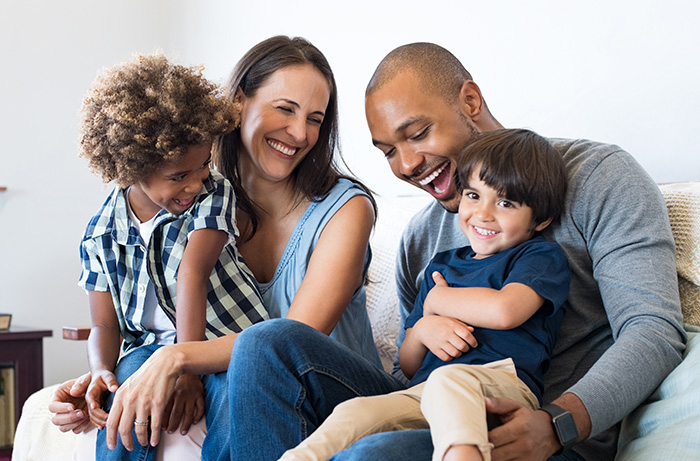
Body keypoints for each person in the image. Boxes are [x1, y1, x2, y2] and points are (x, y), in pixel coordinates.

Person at [225, 42, 686, 461]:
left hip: (536, 429)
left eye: (419, 133)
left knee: (371, 456)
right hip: (432, 404)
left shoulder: (598, 177)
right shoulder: (422, 236)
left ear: (470, 101)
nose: (406, 166)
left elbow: (653, 330)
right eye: (388, 151)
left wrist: (556, 424)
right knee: (266, 343)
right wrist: (424, 328)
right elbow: (412, 366)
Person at [48, 35, 380, 460]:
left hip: (328, 390)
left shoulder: (345, 209)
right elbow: (143, 316)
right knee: (139, 378)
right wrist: (104, 380)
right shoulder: (186, 192)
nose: (300, 133)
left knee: (257, 354)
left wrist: (176, 359)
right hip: (238, 378)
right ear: (239, 102)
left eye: (315, 119)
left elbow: (290, 343)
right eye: (285, 108)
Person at [280, 128, 571, 461]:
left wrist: (438, 302)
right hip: (426, 390)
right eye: (474, 195)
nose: (483, 213)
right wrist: (422, 331)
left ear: (541, 219)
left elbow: (506, 311)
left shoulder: (538, 256)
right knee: (354, 412)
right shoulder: (441, 266)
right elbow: (407, 362)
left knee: (450, 381)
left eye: (505, 203)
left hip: (500, 385)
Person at [76, 53, 269, 460]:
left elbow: (192, 274)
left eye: (202, 166)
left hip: (222, 339)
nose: (195, 184)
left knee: (236, 393)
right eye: (179, 176)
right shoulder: (100, 232)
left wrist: (186, 368)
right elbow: (101, 323)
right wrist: (100, 373)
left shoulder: (214, 192)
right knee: (124, 395)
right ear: (131, 169)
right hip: (146, 348)